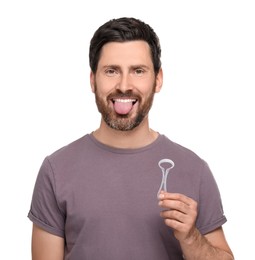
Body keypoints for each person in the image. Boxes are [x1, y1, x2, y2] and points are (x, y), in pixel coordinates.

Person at [27, 17, 234, 259]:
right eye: (111, 71)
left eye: (138, 71)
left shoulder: (194, 169)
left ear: (158, 79)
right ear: (93, 80)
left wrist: (191, 238)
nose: (124, 85)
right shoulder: (56, 169)